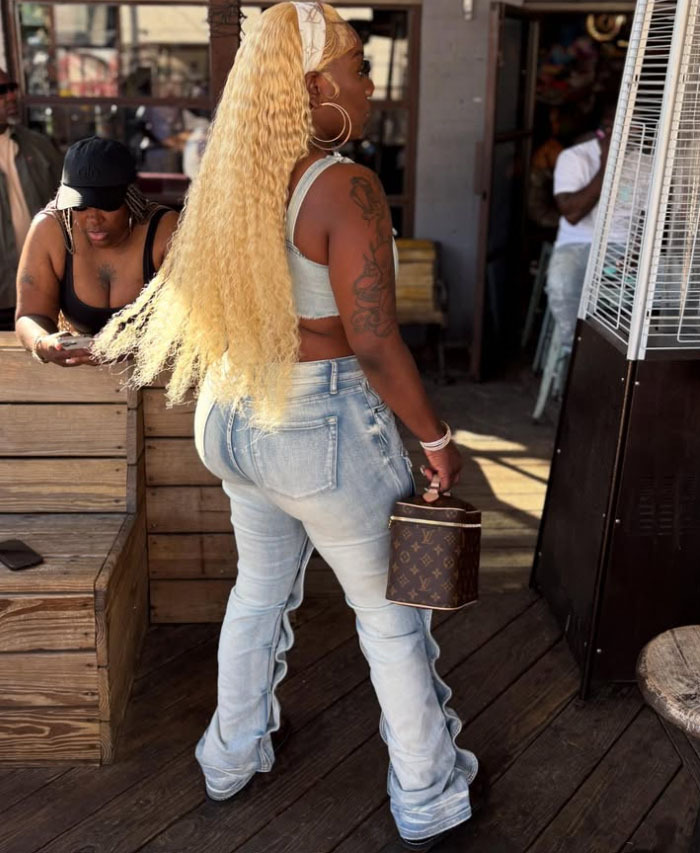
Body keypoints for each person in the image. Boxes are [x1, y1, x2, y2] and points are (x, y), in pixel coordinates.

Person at [93, 4, 484, 850]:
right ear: (313, 86)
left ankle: (228, 758)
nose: (369, 82)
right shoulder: (343, 185)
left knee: (258, 591)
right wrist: (436, 439)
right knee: (392, 617)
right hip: (317, 427)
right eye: (357, 67)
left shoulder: (232, 177)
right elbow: (374, 341)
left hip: (233, 415)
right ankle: (426, 793)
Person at [14, 136, 178, 367]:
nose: (93, 218)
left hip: (158, 372)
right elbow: (30, 315)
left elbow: (191, 321)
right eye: (80, 206)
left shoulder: (164, 231)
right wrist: (43, 342)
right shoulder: (50, 230)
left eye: (105, 204)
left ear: (129, 196)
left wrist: (133, 346)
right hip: (80, 378)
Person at [546, 102, 617, 349]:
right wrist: (607, 167)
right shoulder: (574, 157)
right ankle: (574, 352)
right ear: (605, 128)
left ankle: (623, 358)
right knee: (561, 285)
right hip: (578, 243)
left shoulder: (650, 162)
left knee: (662, 288)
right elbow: (572, 214)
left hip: (624, 247)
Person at [0, 67, 63, 331]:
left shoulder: (39, 146)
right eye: (2, 91)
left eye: (12, 88)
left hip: (42, 290)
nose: (11, 96)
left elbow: (67, 209)